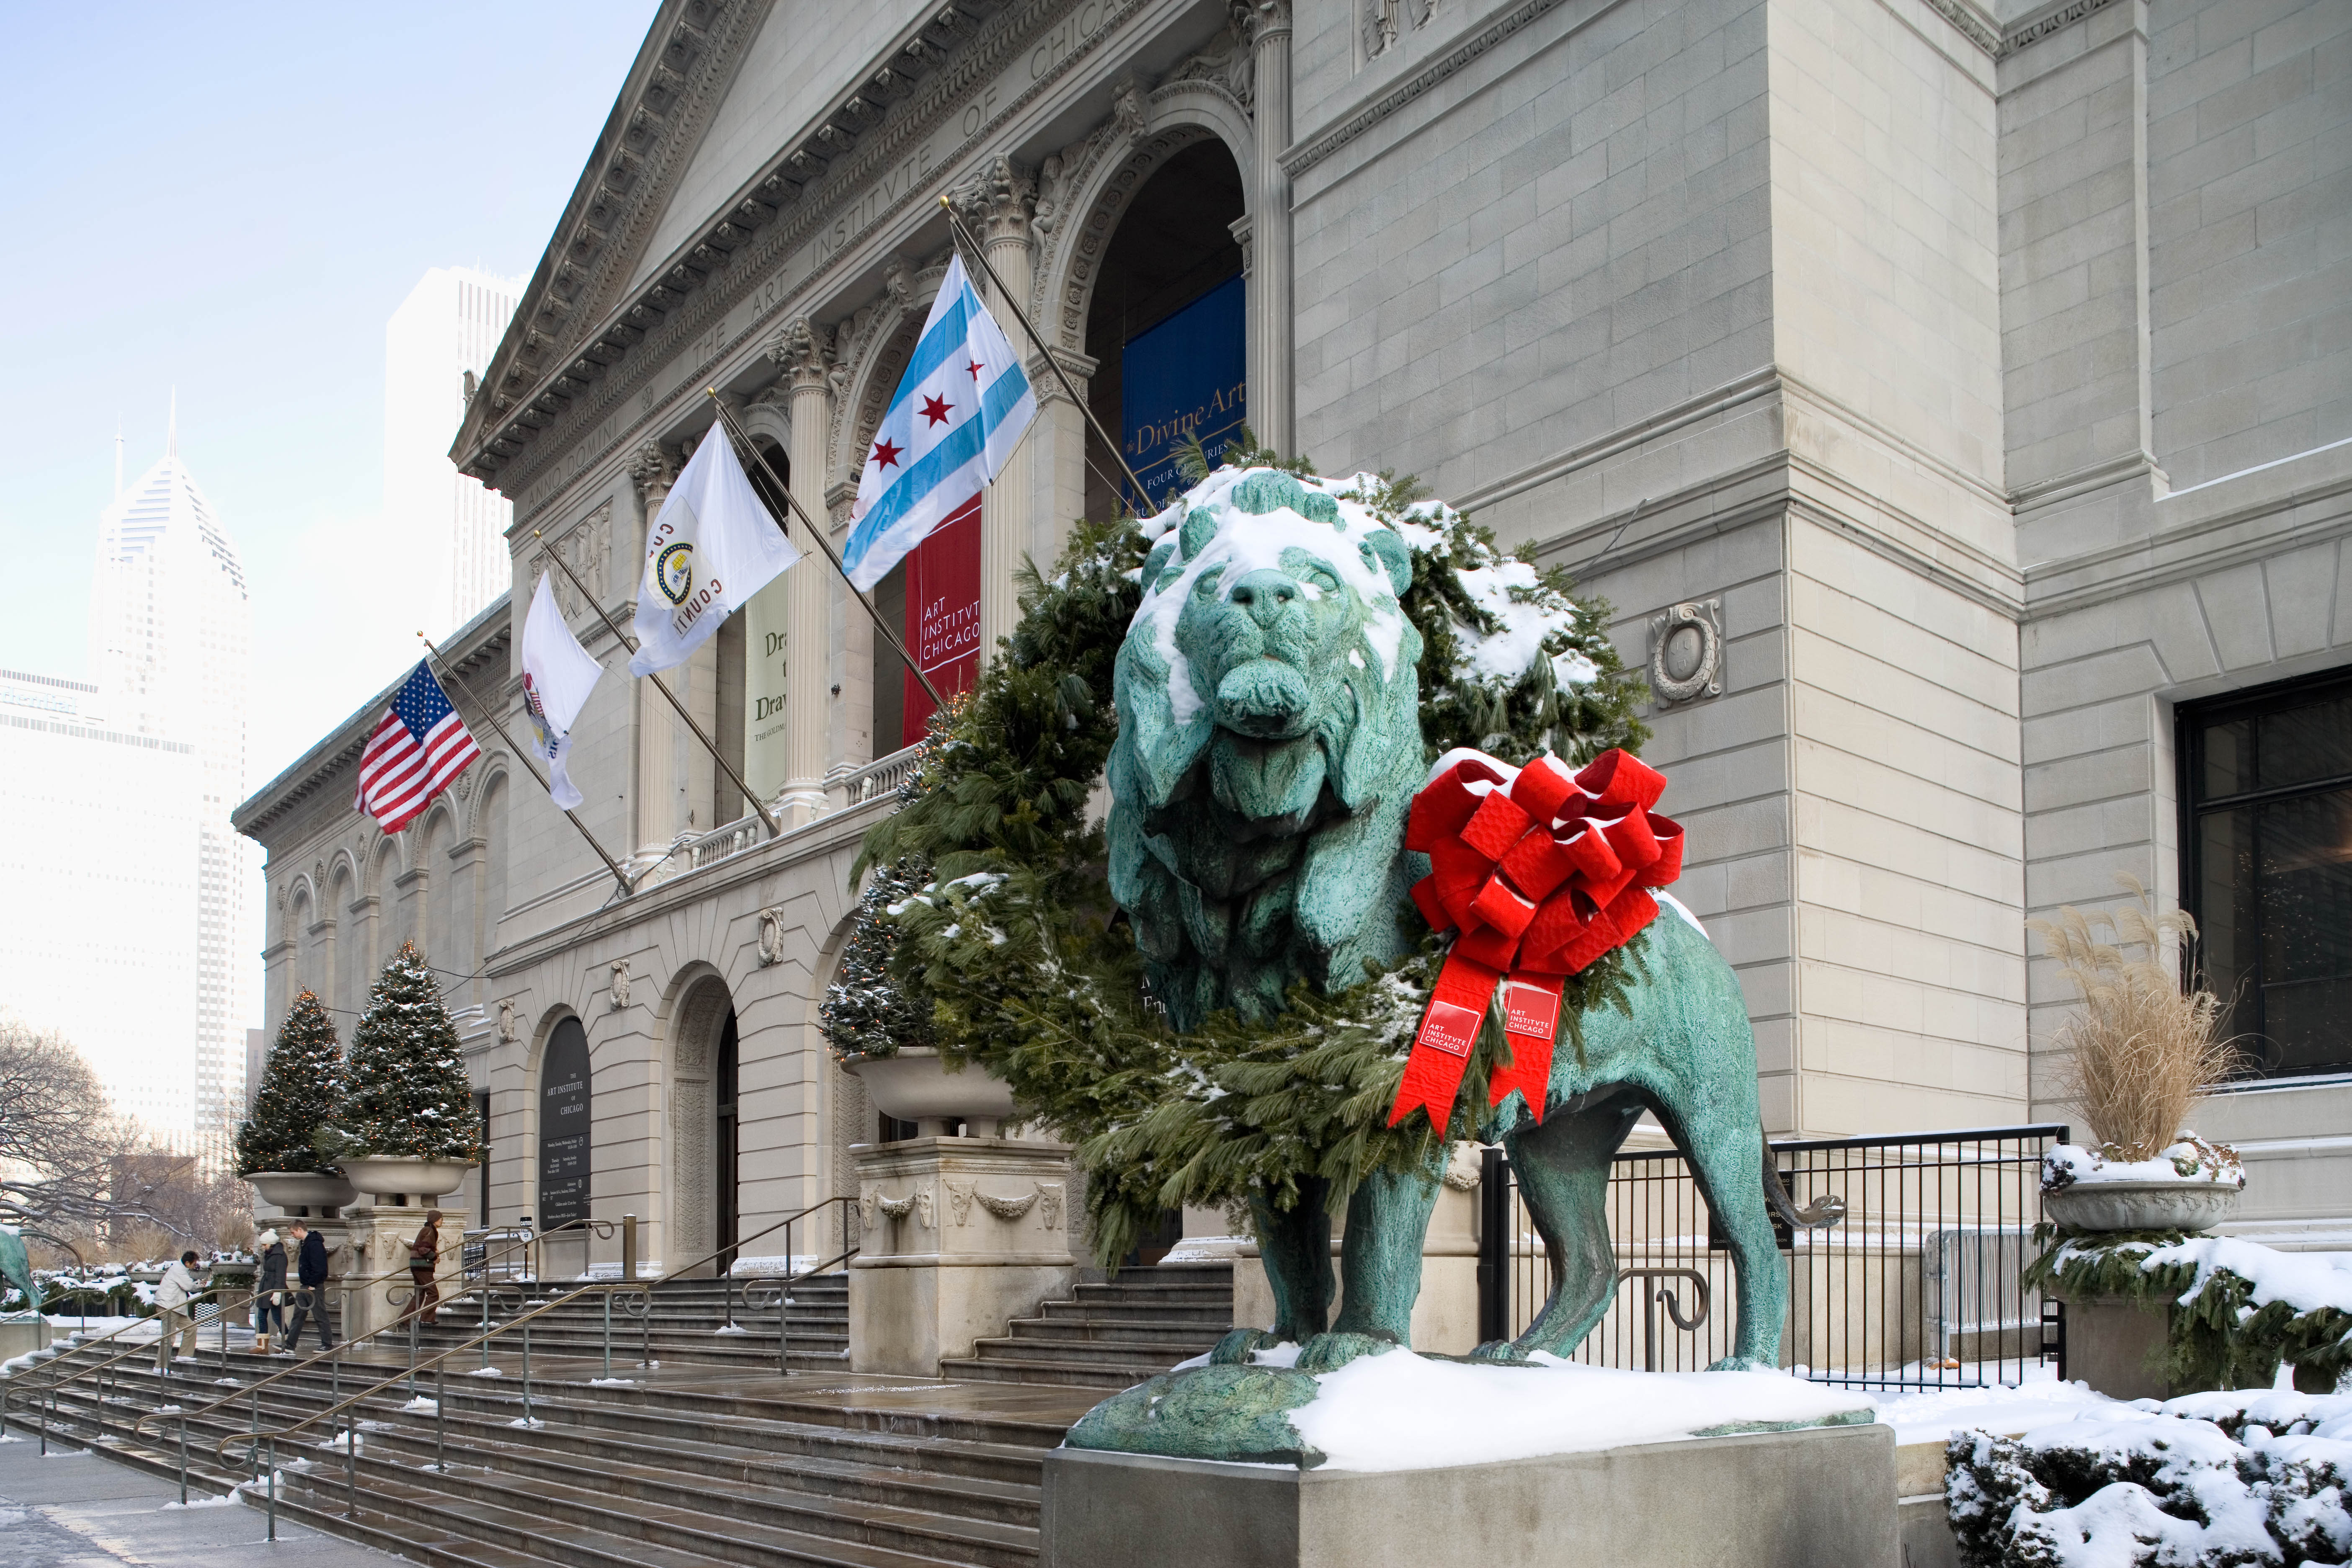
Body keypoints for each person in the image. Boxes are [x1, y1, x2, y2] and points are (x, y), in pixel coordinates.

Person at [282, 1221, 335, 1351]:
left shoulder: (315, 1244)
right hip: (305, 1285)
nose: (292, 1235)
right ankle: (290, 1344)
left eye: (293, 1232)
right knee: (298, 1315)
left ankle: (328, 1344)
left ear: (300, 1230)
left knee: (320, 1315)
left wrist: (312, 1284)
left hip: (313, 1286)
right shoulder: (305, 1243)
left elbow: (321, 1268)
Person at [152, 1250, 204, 1371]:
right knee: (169, 1338)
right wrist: (199, 1285)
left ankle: (184, 1355)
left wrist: (198, 1285)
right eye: (193, 1263)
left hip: (175, 1308)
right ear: (187, 1263)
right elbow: (188, 1286)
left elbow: (187, 1285)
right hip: (168, 1307)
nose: (194, 1266)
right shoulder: (179, 1271)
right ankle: (160, 1367)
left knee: (191, 1328)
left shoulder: (180, 1270)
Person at [252, 1229, 289, 1354]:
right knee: (262, 1316)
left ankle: (287, 1341)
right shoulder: (270, 1254)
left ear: (271, 1243)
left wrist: (278, 1292)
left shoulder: (280, 1256)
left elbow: (281, 1276)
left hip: (273, 1288)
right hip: (266, 1287)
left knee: (277, 1317)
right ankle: (262, 1346)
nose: (263, 1247)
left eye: (264, 1245)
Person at [407, 1210, 442, 1327]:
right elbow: (423, 1249)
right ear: (434, 1219)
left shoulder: (427, 1230)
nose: (442, 1220)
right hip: (423, 1267)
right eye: (440, 1218)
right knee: (433, 1294)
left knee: (420, 1294)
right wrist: (434, 1258)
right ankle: (426, 1318)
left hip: (417, 1266)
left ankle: (405, 1321)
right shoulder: (430, 1231)